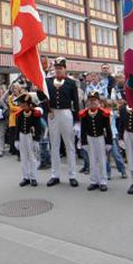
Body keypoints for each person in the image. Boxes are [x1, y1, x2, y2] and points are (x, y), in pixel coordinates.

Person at [45, 57, 79, 187]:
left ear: (65, 69)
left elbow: (75, 102)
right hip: (53, 113)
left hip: (66, 113)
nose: (58, 70)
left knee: (69, 145)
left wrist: (77, 121)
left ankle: (72, 175)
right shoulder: (47, 82)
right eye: (56, 68)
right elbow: (43, 98)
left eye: (60, 68)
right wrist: (47, 110)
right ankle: (55, 175)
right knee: (54, 145)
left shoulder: (71, 83)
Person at [79, 91, 113, 192]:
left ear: (98, 101)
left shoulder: (103, 113)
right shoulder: (85, 114)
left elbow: (107, 128)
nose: (92, 102)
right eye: (90, 100)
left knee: (102, 160)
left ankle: (103, 181)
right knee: (92, 160)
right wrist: (84, 142)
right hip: (90, 139)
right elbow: (83, 129)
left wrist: (109, 142)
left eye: (94, 100)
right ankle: (94, 180)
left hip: (100, 138)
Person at [15, 93, 42, 187]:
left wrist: (36, 140)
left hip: (31, 136)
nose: (21, 105)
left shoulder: (35, 114)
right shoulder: (20, 114)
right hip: (22, 136)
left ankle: (33, 177)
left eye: (23, 103)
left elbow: (38, 128)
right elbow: (17, 127)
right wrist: (16, 139)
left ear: (28, 104)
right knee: (23, 157)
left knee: (32, 157)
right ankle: (25, 177)